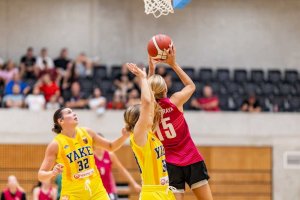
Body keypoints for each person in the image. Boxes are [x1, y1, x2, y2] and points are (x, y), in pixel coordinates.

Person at [148, 45, 213, 200]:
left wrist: (151, 70)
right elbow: (191, 86)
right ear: (165, 88)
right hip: (191, 157)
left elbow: (147, 98)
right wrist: (173, 64)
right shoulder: (175, 101)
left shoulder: (148, 112)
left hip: (170, 163)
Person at [38, 107, 130, 200]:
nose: (74, 113)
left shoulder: (87, 133)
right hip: (73, 194)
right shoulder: (56, 145)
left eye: (73, 111)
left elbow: (110, 146)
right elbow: (41, 175)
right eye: (69, 112)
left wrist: (124, 137)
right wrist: (52, 173)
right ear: (61, 121)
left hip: (97, 191)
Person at [123, 63, 175, 200]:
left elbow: (150, 102)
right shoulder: (138, 137)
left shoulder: (150, 134)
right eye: (146, 114)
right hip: (152, 194)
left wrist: (151, 72)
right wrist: (142, 78)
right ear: (139, 120)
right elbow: (146, 102)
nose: (151, 114)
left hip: (165, 191)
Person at [94, 133, 141, 200]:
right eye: (98, 141)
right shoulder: (91, 157)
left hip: (110, 190)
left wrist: (134, 183)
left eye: (102, 141)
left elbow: (122, 169)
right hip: (97, 192)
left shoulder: (109, 155)